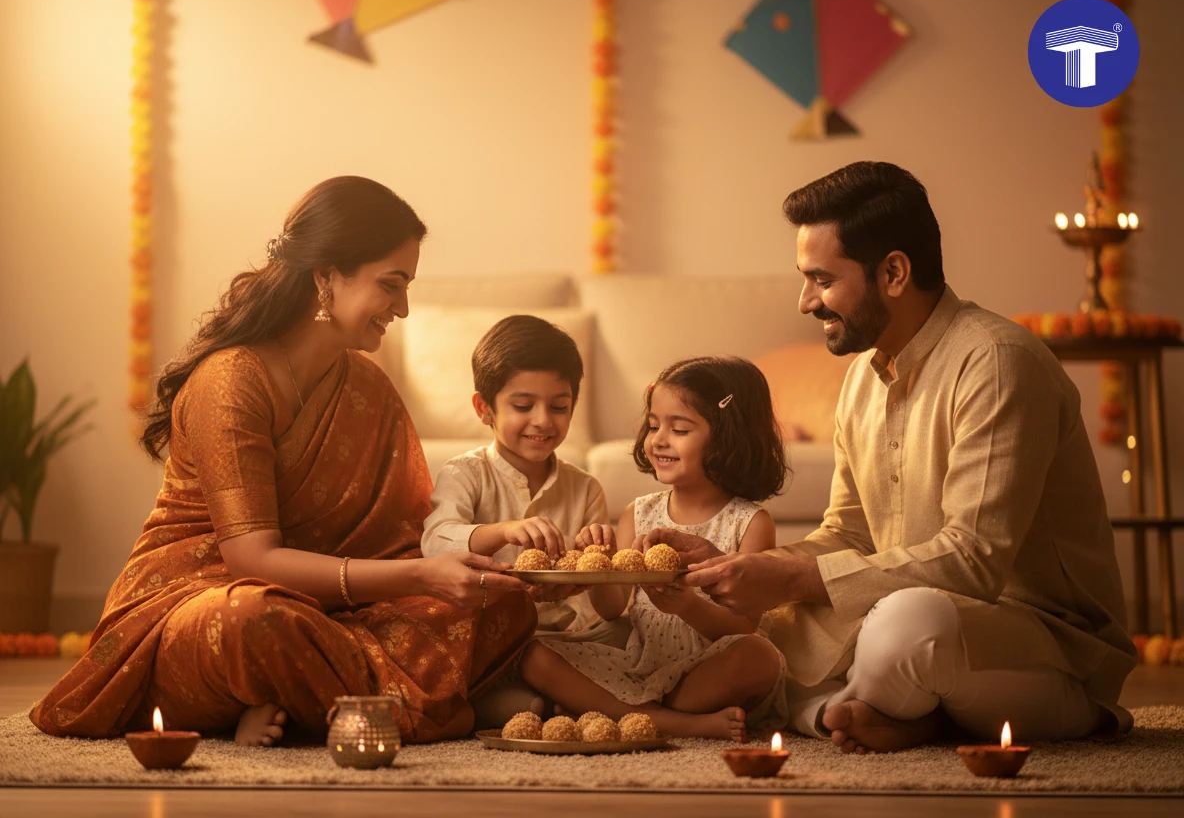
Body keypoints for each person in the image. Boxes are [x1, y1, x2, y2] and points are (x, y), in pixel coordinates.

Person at [648, 161, 1136, 754]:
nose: (805, 302)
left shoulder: (997, 362)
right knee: (770, 630)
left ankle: (841, 707)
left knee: (906, 628)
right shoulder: (861, 377)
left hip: (1041, 642)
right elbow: (846, 533)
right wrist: (737, 566)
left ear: (895, 273)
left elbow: (974, 561)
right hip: (909, 616)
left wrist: (792, 577)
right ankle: (889, 714)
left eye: (822, 280)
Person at [30, 176, 535, 746]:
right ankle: (420, 706)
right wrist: (420, 575)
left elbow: (404, 539)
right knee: (254, 623)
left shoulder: (367, 387)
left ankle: (304, 704)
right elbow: (254, 561)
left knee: (507, 602)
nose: (404, 308)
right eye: (391, 286)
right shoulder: (231, 382)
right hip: (205, 599)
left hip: (336, 611)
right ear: (326, 278)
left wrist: (476, 560)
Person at [522, 356, 791, 742]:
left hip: (705, 669)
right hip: (640, 661)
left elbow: (743, 625)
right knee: (534, 656)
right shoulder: (639, 511)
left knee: (759, 658)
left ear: (729, 436)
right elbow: (614, 609)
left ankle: (619, 710)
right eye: (653, 426)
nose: (658, 439)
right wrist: (598, 565)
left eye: (679, 428)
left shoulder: (750, 522)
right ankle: (678, 723)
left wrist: (687, 606)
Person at [421, 314, 617, 724]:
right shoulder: (465, 473)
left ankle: (534, 703)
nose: (543, 420)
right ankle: (531, 702)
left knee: (634, 636)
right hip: (488, 643)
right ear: (484, 408)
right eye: (523, 405)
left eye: (559, 406)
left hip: (567, 643)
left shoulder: (585, 489)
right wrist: (503, 531)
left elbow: (606, 609)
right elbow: (435, 542)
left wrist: (599, 562)